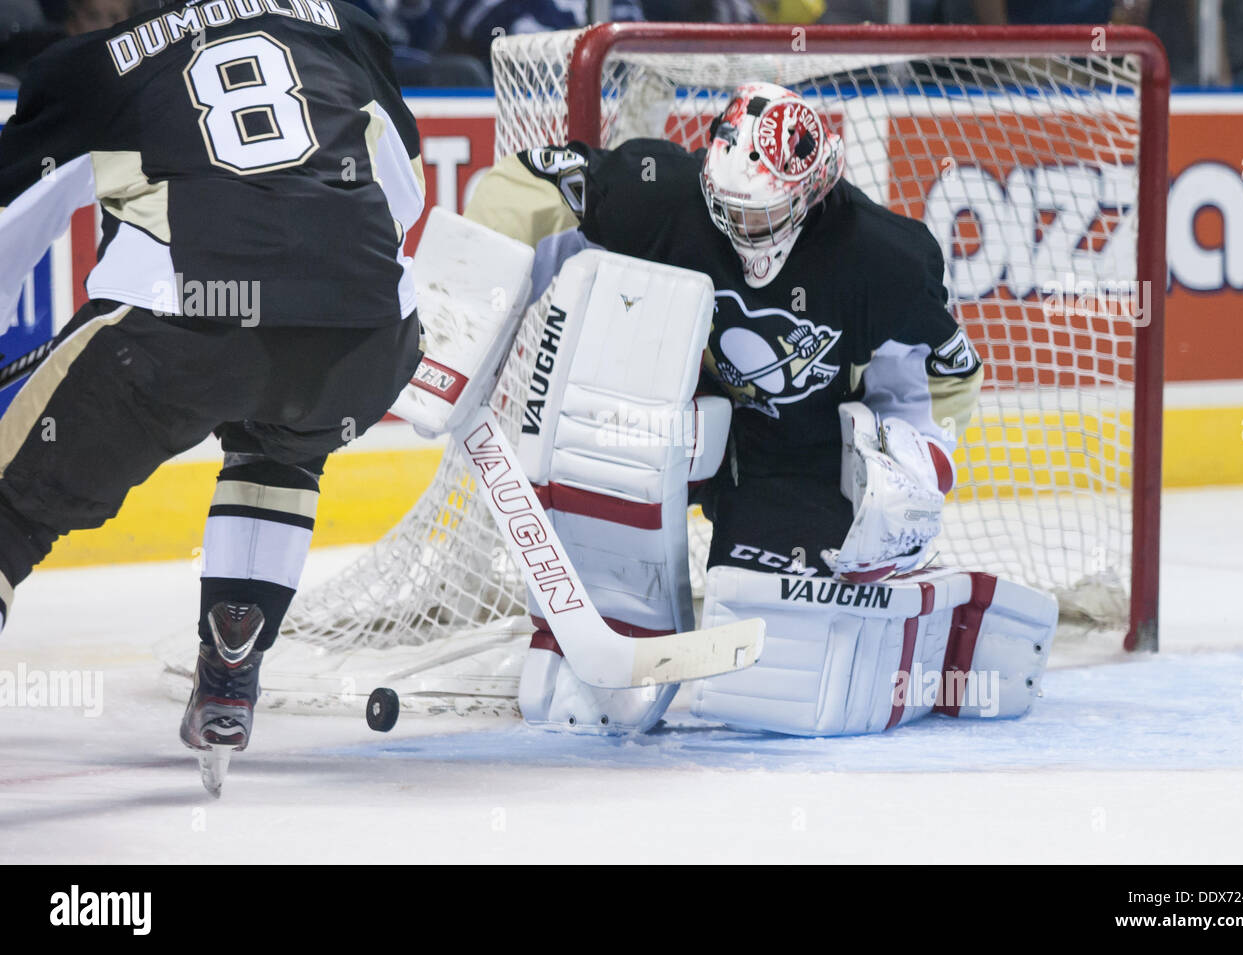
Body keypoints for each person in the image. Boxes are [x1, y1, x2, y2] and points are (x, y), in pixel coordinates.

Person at [462, 83, 1045, 739]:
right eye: (727, 211)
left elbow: (944, 380)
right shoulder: (660, 189)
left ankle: (909, 620)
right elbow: (519, 186)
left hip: (798, 454)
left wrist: (917, 463)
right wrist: (469, 305)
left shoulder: (884, 259)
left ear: (812, 192)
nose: (741, 230)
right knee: (606, 438)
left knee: (771, 673)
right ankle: (601, 617)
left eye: (761, 215)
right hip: (669, 417)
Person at [0, 0, 427, 791]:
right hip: (368, 334)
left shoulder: (92, 63)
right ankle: (232, 666)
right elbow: (403, 187)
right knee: (284, 439)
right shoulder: (344, 21)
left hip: (186, 330)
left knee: (10, 506)